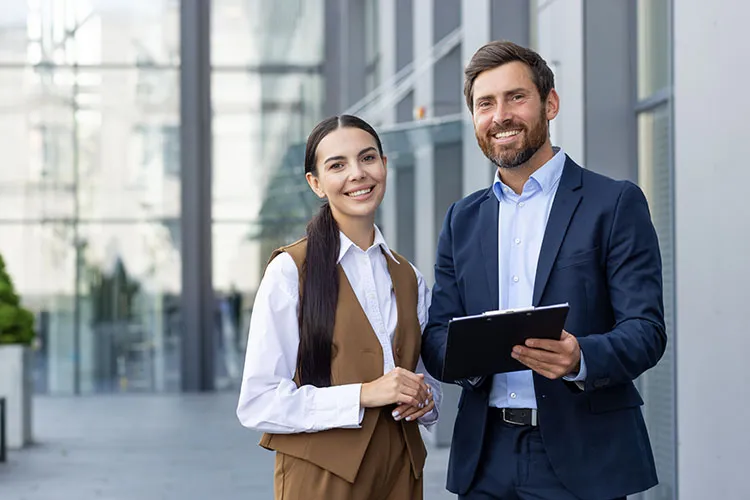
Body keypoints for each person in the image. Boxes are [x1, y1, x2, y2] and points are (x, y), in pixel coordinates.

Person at [421, 40, 666, 500]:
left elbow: (647, 330)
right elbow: (437, 336)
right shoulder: (462, 219)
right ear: (474, 118)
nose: (501, 116)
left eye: (516, 97)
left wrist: (580, 358)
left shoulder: (612, 203)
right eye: (485, 104)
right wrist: (472, 357)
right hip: (484, 457)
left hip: (584, 458)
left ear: (549, 103)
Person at [237, 114, 442, 500]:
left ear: (384, 165)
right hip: (322, 480)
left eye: (367, 158)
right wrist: (364, 394)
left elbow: (422, 379)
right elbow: (258, 402)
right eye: (337, 165)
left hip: (401, 473)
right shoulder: (289, 271)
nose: (357, 174)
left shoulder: (409, 277)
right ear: (315, 183)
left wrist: (425, 399)